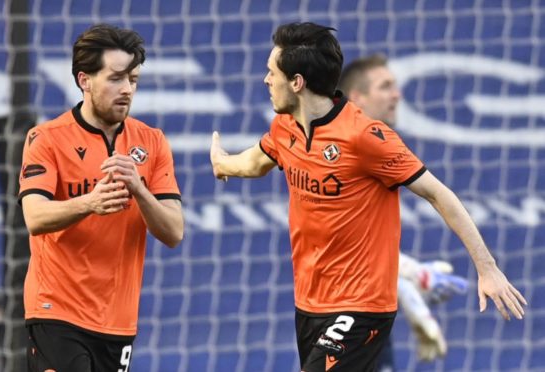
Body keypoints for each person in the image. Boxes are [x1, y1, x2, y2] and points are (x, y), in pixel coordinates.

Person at [210, 22, 526, 371]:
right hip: (310, 303)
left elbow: (439, 194)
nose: (266, 80)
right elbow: (255, 162)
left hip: (362, 307)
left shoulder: (365, 136)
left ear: (297, 82)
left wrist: (487, 268)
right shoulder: (285, 128)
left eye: (272, 72)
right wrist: (222, 162)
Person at [18, 24, 184, 371]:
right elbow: (35, 217)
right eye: (116, 78)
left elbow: (173, 232)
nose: (127, 90)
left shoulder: (151, 142)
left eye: (133, 80)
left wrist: (139, 190)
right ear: (84, 80)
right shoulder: (47, 138)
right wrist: (89, 203)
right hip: (56, 311)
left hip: (117, 320)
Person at [339, 54, 469, 370]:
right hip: (340, 321)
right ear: (358, 98)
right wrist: (416, 281)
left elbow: (373, 255)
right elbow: (349, 248)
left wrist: (410, 292)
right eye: (386, 86)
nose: (397, 94)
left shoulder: (374, 150)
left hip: (368, 316)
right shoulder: (342, 154)